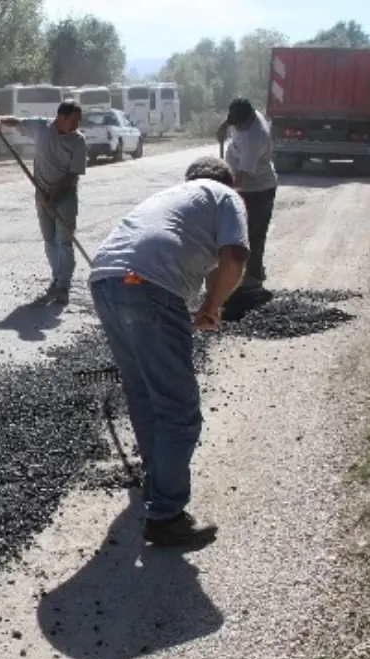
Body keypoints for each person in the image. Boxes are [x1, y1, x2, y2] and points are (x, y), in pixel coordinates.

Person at [88, 156, 250, 546]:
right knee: (178, 408)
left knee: (143, 394)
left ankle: (157, 483)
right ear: (230, 182)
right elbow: (236, 258)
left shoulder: (174, 195)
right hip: (147, 284)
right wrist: (212, 307)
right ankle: (166, 515)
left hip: (105, 280)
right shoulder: (226, 195)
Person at [0, 100, 87, 305]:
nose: (77, 124)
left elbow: (73, 175)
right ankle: (57, 278)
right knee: (50, 241)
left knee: (64, 242)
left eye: (78, 120)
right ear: (61, 117)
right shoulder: (41, 128)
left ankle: (63, 287)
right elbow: (16, 122)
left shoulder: (78, 141)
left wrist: (55, 193)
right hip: (41, 195)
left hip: (65, 196)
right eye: (74, 120)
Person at [216, 97, 276, 317]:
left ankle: (252, 283)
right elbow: (229, 123)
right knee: (236, 234)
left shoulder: (256, 136)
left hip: (257, 190)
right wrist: (223, 128)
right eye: (235, 123)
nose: (238, 128)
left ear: (250, 119)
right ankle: (240, 277)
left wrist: (223, 189)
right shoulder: (242, 116)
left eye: (240, 125)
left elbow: (242, 177)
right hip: (242, 187)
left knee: (253, 234)